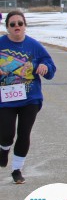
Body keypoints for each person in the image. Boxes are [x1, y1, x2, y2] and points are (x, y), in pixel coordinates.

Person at [0, 10, 57, 184]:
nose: (16, 26)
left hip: (30, 98)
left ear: (25, 25)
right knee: (6, 134)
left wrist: (45, 67)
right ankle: (4, 148)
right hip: (5, 99)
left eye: (20, 23)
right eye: (12, 24)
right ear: (7, 27)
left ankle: (17, 170)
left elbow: (49, 66)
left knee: (24, 133)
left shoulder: (34, 45)